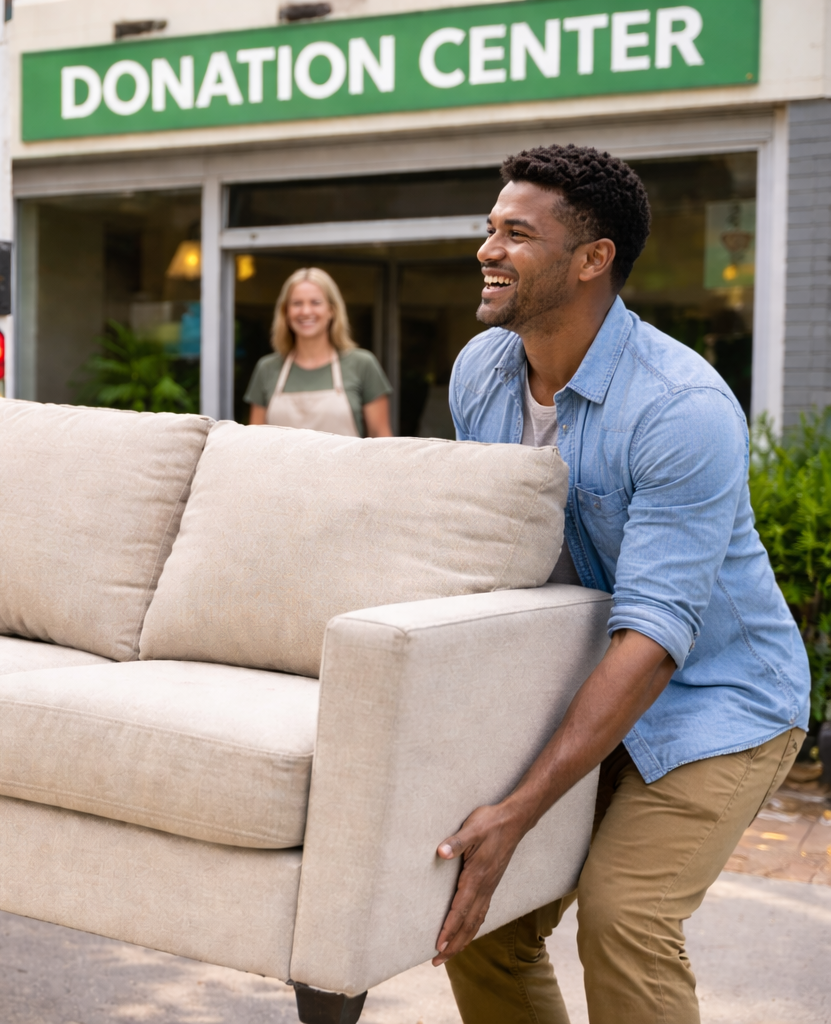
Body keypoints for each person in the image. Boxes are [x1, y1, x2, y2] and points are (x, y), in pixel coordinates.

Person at [438, 144, 808, 1024]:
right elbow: (487, 560)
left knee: (625, 919)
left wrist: (522, 808)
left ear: (592, 258)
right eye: (489, 228)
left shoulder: (680, 407)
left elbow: (652, 641)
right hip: (583, 687)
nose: (487, 249)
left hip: (722, 699)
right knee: (477, 925)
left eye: (516, 234)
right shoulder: (478, 374)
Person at [245, 267, 392, 436]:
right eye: (297, 303)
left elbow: (383, 440)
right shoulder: (267, 369)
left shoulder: (362, 364)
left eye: (315, 302)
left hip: (345, 464)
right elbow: (253, 443)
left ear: (332, 310)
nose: (306, 311)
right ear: (285, 311)